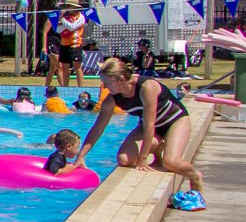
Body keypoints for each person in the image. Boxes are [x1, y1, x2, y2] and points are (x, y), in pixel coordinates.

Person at [77, 58, 205, 207]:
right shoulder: (112, 99)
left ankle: (195, 176)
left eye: (108, 82)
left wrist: (143, 159)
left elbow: (150, 124)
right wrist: (81, 156)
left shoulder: (146, 87)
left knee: (171, 162)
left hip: (174, 121)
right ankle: (157, 146)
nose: (104, 86)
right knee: (124, 160)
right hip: (148, 127)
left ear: (121, 79)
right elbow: (98, 128)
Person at [47, 0, 89, 88]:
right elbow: (58, 30)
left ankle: (80, 87)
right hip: (64, 44)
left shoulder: (80, 17)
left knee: (77, 67)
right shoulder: (66, 17)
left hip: (75, 44)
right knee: (65, 68)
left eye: (69, 6)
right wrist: (60, 19)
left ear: (75, 7)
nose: (67, 9)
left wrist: (62, 19)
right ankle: (65, 87)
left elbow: (72, 27)